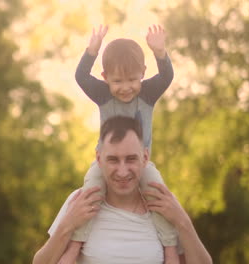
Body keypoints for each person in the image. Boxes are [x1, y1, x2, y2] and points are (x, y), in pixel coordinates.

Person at [66, 24, 179, 262]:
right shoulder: (104, 94)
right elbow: (80, 77)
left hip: (141, 163)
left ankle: (169, 246)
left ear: (143, 74)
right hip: (106, 162)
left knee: (158, 192)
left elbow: (167, 76)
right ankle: (76, 244)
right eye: (117, 81)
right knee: (91, 190)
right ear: (105, 77)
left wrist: (160, 52)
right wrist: (91, 51)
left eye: (132, 79)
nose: (126, 87)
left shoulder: (147, 94)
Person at [32, 116, 212, 264]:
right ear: (99, 159)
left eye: (131, 159)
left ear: (145, 157)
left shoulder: (164, 204)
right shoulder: (80, 201)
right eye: (113, 160)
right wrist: (68, 224)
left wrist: (183, 222)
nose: (123, 171)